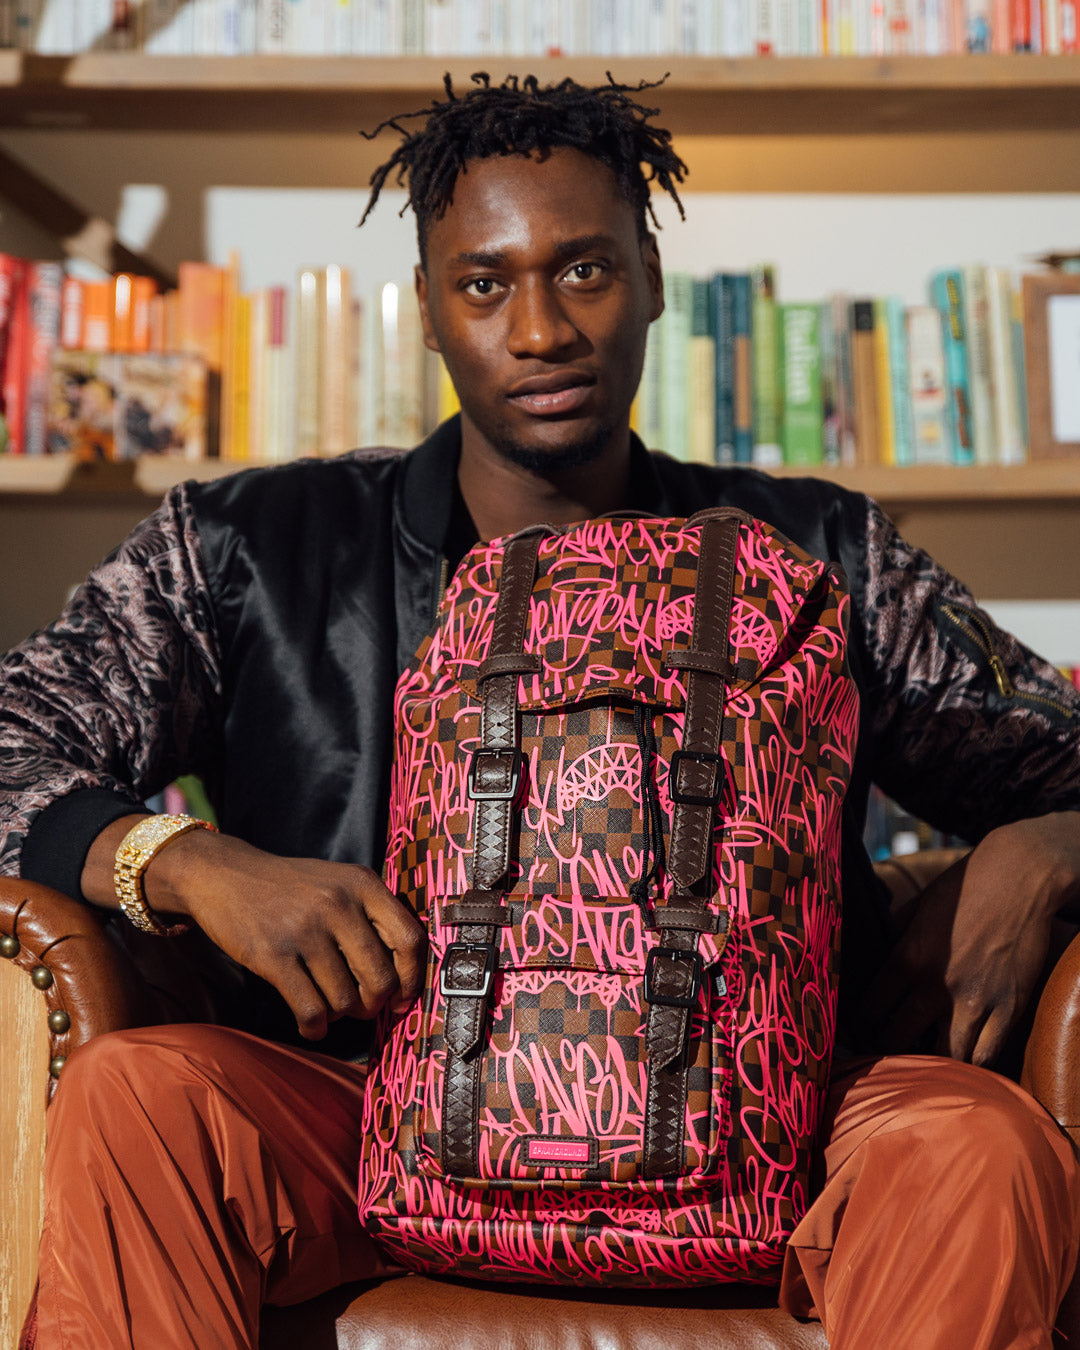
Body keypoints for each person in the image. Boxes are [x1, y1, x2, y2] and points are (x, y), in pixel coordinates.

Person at [3, 72, 1080, 1350]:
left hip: (765, 1115)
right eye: (484, 284)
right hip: (366, 1109)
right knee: (140, 1095)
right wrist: (187, 862)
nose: (540, 330)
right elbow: (16, 741)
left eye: (583, 271)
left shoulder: (816, 554)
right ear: (426, 310)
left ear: (653, 279)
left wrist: (1048, 847)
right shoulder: (249, 550)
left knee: (982, 1147)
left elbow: (1060, 763)